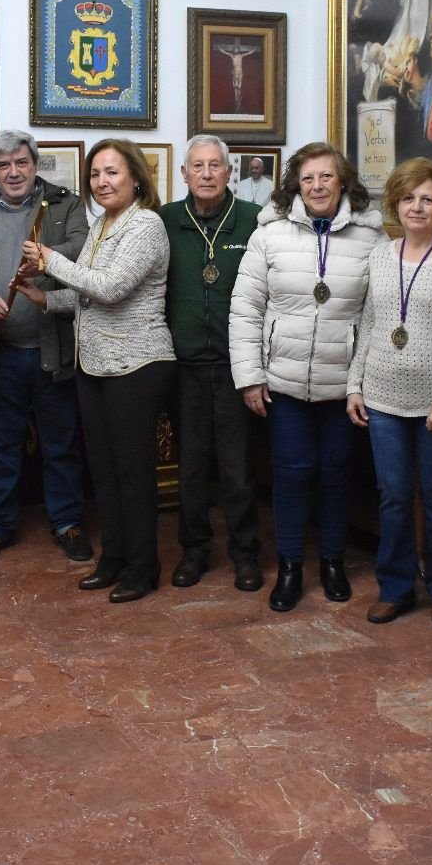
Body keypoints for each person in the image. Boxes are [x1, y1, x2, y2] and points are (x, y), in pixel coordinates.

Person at [229, 142, 385, 612]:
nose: (317, 186)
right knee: (292, 476)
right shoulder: (269, 234)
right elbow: (245, 309)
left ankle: (333, 562)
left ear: (344, 184)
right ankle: (292, 565)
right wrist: (250, 376)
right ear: (296, 184)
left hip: (345, 386)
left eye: (327, 177)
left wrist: (363, 383)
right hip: (284, 383)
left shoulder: (371, 239)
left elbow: (376, 315)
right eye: (308, 178)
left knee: (337, 476)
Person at [17, 140, 175, 603]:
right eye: (95, 175)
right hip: (97, 363)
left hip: (138, 364)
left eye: (112, 173)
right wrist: (45, 297)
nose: (101, 182)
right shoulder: (102, 224)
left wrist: (49, 260)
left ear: (136, 179)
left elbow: (111, 288)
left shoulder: (146, 225)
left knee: (133, 472)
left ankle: (143, 568)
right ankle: (115, 559)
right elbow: (88, 298)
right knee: (103, 472)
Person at [345, 158, 432, 626]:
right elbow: (369, 323)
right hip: (382, 398)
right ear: (395, 204)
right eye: (408, 198)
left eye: (427, 198)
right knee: (394, 496)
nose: (417, 207)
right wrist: (354, 384)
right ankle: (397, 587)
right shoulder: (380, 255)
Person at [0, 130, 91, 565]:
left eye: (21, 163)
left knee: (61, 445)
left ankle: (67, 523)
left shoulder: (64, 204)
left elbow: (84, 252)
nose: (14, 172)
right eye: (4, 165)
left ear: (34, 166)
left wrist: (46, 255)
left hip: (53, 350)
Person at [160, 135, 264, 592]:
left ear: (229, 173)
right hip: (182, 366)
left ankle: (245, 554)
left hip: (235, 367)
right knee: (192, 468)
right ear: (184, 174)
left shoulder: (255, 221)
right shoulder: (163, 221)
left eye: (214, 166)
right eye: (197, 166)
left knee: (238, 470)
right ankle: (194, 550)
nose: (205, 174)